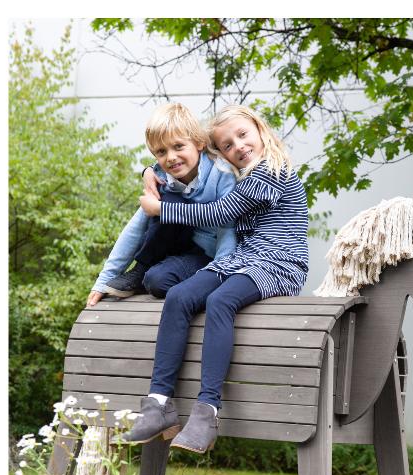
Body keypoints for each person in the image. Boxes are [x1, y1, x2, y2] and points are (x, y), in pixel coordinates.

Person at [121, 105, 310, 453]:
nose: (236, 146)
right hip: (243, 260)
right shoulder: (239, 172)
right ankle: (158, 404)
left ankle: (207, 411)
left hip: (280, 262)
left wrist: (160, 209)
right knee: (178, 296)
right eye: (225, 144)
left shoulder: (271, 171)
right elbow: (186, 152)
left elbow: (218, 212)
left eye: (242, 135)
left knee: (219, 301)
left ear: (259, 129)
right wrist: (151, 169)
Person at [86, 103, 237, 308]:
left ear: (199, 143)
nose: (171, 157)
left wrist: (218, 274)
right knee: (167, 200)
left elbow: (227, 229)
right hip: (180, 245)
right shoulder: (162, 178)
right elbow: (136, 228)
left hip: (209, 255)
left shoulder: (221, 174)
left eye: (178, 146)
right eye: (161, 152)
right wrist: (103, 280)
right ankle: (141, 269)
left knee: (156, 281)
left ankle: (153, 274)